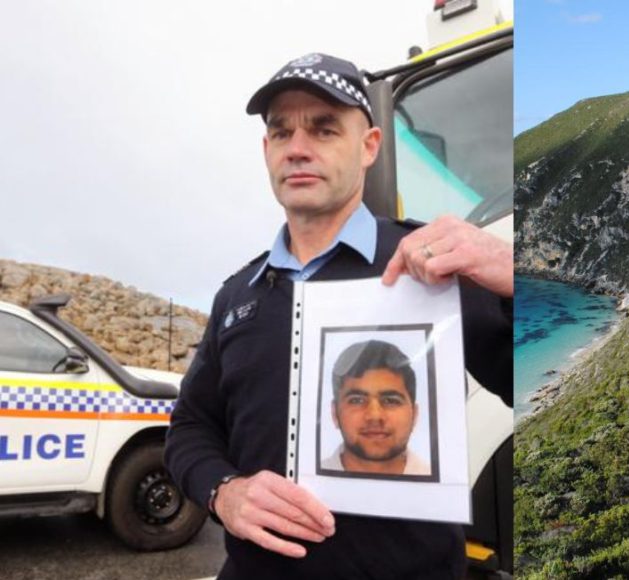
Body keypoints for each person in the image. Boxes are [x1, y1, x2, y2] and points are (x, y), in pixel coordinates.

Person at [164, 52, 512, 579]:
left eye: (324, 129)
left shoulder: (433, 265)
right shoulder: (238, 295)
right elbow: (189, 427)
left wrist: (518, 278)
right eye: (282, 133)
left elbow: (543, 383)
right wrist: (224, 492)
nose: (298, 149)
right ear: (266, 151)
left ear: (369, 146)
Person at [322, 339, 431, 476]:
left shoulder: (447, 489)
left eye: (390, 400)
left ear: (414, 415)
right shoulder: (304, 483)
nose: (374, 416)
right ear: (334, 413)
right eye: (357, 400)